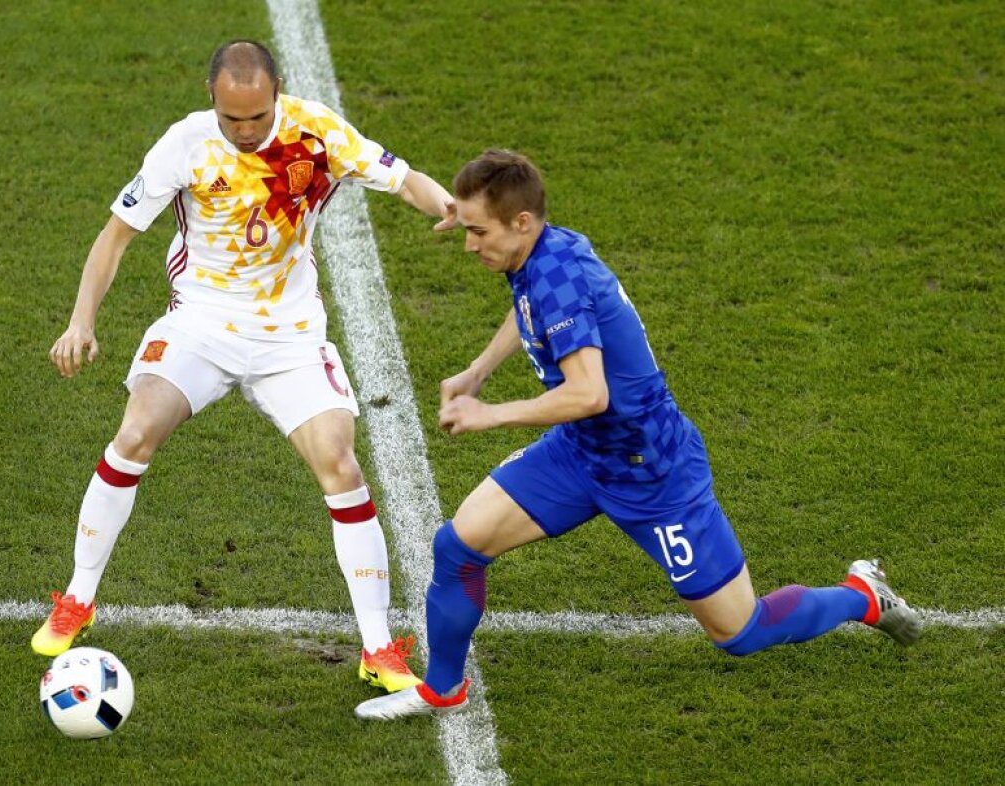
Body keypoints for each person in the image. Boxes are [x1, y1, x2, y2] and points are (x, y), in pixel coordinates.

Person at [355, 149, 921, 719]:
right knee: (458, 547)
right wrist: (478, 371)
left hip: (653, 471)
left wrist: (490, 412)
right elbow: (528, 306)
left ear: (520, 222)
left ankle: (861, 598)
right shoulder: (544, 252)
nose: (468, 243)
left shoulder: (557, 277)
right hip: (580, 454)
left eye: (478, 230)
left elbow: (589, 394)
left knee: (740, 632)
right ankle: (443, 689)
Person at [32, 40, 456, 695]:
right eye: (234, 120)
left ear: (276, 94)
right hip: (201, 322)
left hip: (289, 335)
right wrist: (81, 319)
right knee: (136, 430)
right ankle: (78, 599)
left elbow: (403, 178)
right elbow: (115, 235)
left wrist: (446, 206)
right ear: (214, 102)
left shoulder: (317, 133)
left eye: (257, 118)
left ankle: (378, 648)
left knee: (340, 463)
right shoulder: (186, 145)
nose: (247, 132)